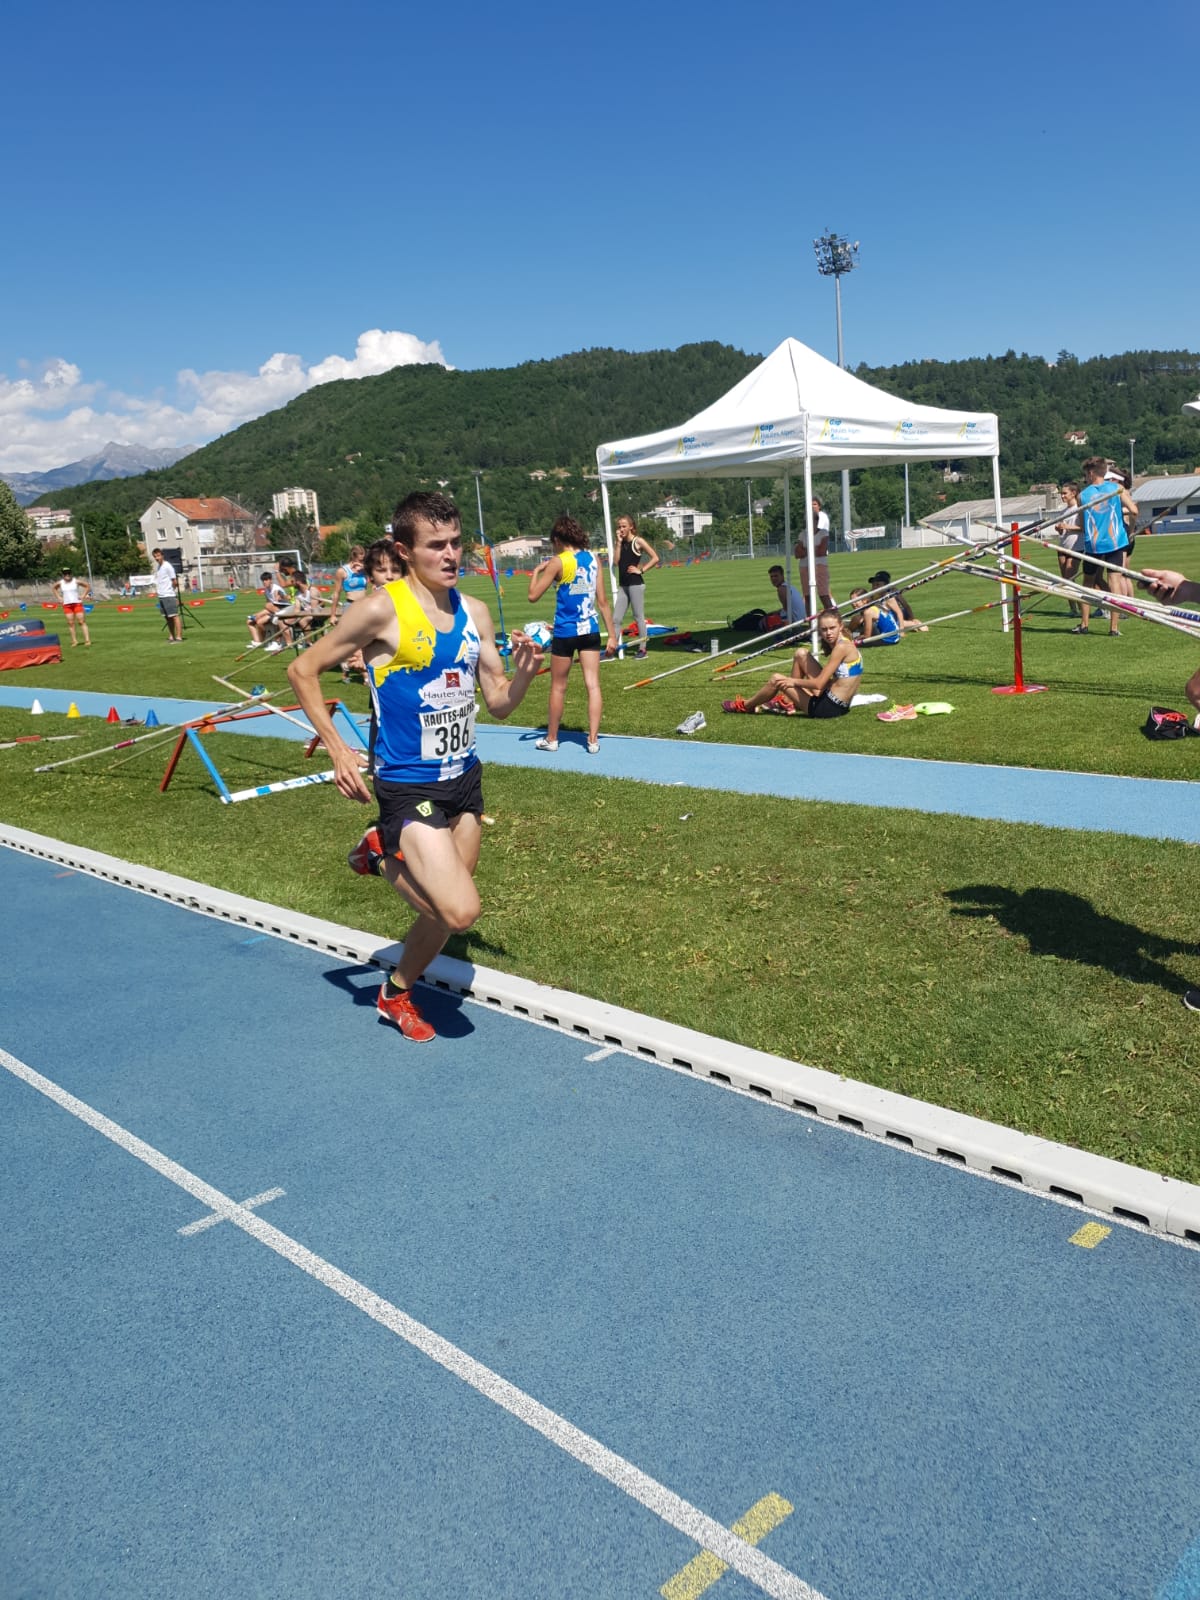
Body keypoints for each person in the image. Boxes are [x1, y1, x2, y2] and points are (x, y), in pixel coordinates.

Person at [287, 490, 544, 1044]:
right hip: (409, 785)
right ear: (404, 551)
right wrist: (337, 749)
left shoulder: (474, 613)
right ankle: (379, 852)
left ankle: (396, 992)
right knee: (460, 912)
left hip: (464, 780)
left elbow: (498, 701)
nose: (450, 555)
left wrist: (524, 674)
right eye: (436, 545)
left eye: (456, 543)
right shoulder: (380, 609)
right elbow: (302, 670)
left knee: (439, 914)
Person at [528, 514, 615, 754]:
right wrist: (613, 635)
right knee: (593, 685)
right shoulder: (594, 559)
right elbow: (603, 601)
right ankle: (593, 740)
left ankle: (552, 738)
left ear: (557, 539)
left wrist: (536, 572)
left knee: (558, 687)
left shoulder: (558, 562)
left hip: (565, 632)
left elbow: (533, 596)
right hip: (591, 631)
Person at [722, 608, 862, 717]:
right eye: (824, 629)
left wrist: (792, 682)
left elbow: (819, 683)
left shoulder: (841, 647)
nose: (828, 633)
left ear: (841, 626)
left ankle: (746, 706)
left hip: (828, 708)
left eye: (832, 628)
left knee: (776, 679)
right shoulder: (845, 641)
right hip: (839, 703)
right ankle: (788, 701)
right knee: (801, 653)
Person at [1075, 456, 1137, 637]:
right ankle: (1114, 628)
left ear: (1091, 473)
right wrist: (1130, 530)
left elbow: (1082, 524)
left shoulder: (1082, 495)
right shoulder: (1117, 489)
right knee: (1114, 582)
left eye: (1085, 474)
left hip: (1093, 545)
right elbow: (1134, 511)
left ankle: (1084, 624)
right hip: (1115, 542)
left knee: (1088, 583)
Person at [604, 514, 659, 660]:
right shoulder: (620, 543)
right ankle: (610, 651)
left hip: (636, 584)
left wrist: (641, 570)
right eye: (619, 527)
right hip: (623, 586)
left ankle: (642, 649)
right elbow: (616, 562)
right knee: (616, 619)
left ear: (631, 527)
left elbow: (655, 557)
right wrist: (618, 543)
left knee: (638, 616)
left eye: (624, 526)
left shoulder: (638, 541)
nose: (621, 529)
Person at [794, 496, 834, 613]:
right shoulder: (803, 534)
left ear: (816, 521)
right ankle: (811, 621)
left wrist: (806, 550)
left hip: (819, 565)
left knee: (824, 594)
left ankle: (834, 617)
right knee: (807, 596)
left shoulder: (823, 533)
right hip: (804, 566)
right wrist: (813, 549)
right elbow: (797, 553)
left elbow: (822, 551)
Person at [246, 570, 293, 652]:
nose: (264, 582)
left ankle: (273, 642)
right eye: (263, 580)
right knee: (249, 621)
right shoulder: (266, 590)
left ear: (271, 580)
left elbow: (285, 598)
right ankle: (258, 642)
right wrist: (258, 614)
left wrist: (281, 597)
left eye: (266, 580)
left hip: (282, 610)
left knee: (259, 621)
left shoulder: (277, 589)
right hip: (272, 611)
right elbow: (269, 606)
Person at [1054, 484, 1083, 616]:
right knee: (1065, 580)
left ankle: (1082, 608)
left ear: (1073, 493)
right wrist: (1060, 529)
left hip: (1076, 546)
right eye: (1061, 493)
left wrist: (1067, 526)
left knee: (1069, 576)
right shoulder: (1063, 511)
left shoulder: (1079, 509)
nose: (1062, 496)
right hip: (1063, 546)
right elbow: (1062, 532)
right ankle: (1073, 609)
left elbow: (1083, 528)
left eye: (1065, 493)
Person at [329, 546, 369, 624]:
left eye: (363, 560)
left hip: (364, 605)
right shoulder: (342, 571)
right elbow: (336, 593)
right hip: (351, 605)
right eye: (360, 560)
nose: (362, 562)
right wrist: (333, 615)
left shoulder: (364, 570)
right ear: (353, 557)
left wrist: (363, 567)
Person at [53, 567, 91, 647]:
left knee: (81, 622)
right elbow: (54, 588)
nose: (67, 575)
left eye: (68, 573)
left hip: (77, 603)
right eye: (65, 573)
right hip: (67, 605)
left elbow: (87, 586)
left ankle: (87, 640)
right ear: (63, 575)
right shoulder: (60, 583)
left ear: (71, 573)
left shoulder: (76, 581)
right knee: (70, 623)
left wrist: (83, 595)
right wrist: (59, 597)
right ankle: (74, 641)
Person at [151, 549, 183, 643]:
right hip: (161, 595)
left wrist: (173, 593)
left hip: (168, 595)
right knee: (167, 617)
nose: (157, 558)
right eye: (155, 556)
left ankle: (179, 637)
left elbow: (174, 581)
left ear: (162, 555)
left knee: (174, 616)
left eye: (158, 556)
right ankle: (172, 636)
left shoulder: (167, 566)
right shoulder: (159, 567)